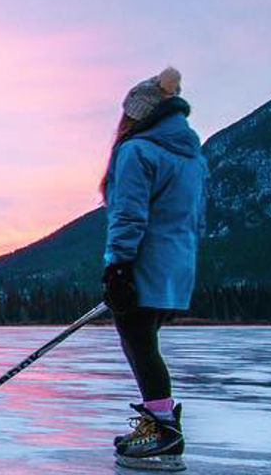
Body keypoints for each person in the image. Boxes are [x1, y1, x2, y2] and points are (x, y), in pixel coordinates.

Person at [100, 67, 207, 472]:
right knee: (146, 343)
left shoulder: (137, 151)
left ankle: (162, 429)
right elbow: (194, 220)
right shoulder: (191, 158)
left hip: (144, 263)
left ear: (138, 114)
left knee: (139, 342)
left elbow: (128, 214)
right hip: (177, 267)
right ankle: (159, 423)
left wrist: (119, 266)